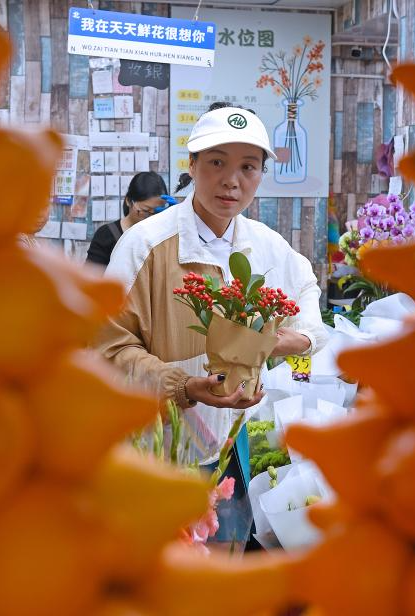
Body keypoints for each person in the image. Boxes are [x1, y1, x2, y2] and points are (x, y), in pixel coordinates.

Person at [97, 102, 328, 545]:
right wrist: (181, 385)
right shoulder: (144, 245)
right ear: (192, 165)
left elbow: (307, 296)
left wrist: (291, 341)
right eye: (217, 162)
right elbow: (107, 349)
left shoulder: (267, 246)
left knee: (222, 574)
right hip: (155, 449)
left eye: (248, 166)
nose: (232, 180)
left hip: (229, 448)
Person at [86, 171, 169, 266]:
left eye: (157, 212)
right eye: (145, 211)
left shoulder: (163, 235)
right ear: (129, 201)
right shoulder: (106, 235)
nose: (150, 217)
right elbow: (91, 276)